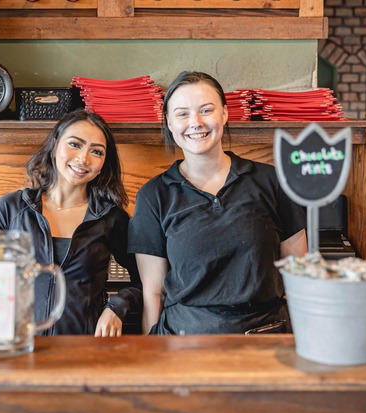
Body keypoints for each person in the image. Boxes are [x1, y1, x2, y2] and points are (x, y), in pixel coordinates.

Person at [127, 71, 307, 335]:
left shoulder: (272, 181)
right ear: (169, 122)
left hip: (265, 338)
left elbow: (299, 277)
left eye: (206, 110)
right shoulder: (154, 195)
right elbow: (154, 294)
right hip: (185, 344)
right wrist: (154, 358)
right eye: (182, 113)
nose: (196, 122)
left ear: (224, 113)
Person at [0, 109, 142, 337]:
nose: (83, 158)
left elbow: (146, 281)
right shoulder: (11, 208)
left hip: (83, 350)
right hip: (18, 347)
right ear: (55, 145)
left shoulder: (110, 218)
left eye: (96, 151)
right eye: (75, 144)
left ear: (103, 163)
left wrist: (116, 308)